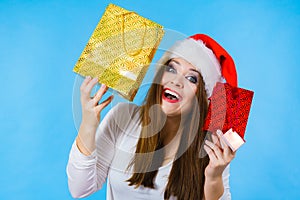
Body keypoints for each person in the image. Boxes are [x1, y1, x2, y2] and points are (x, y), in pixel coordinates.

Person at [67, 34, 237, 200]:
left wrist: (214, 177)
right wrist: (88, 124)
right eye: (171, 69)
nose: (176, 81)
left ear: (201, 97)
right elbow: (79, 189)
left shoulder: (212, 146)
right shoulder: (123, 117)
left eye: (192, 78)